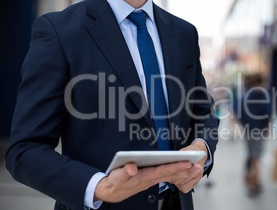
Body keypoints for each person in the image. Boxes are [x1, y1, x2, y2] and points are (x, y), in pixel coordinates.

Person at [5, 0, 219, 210]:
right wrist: (99, 187)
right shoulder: (60, 30)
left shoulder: (184, 33)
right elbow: (26, 150)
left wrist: (202, 148)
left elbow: (201, 110)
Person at [238, 74, 271, 196]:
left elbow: (240, 112)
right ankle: (254, 183)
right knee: (256, 157)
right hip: (259, 130)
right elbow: (267, 113)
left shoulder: (245, 95)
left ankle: (249, 178)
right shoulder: (263, 96)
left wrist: (244, 125)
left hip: (248, 130)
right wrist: (267, 128)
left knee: (251, 154)